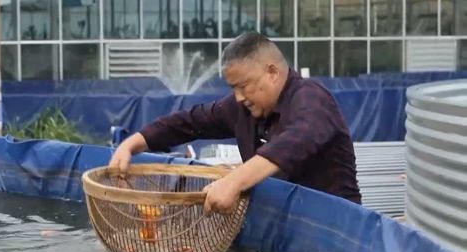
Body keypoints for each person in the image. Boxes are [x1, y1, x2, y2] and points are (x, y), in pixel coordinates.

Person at [109, 32, 361, 215]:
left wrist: (233, 181)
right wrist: (131, 144)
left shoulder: (312, 100)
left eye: (244, 86)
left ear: (271, 73)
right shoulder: (243, 108)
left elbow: (294, 143)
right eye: (233, 88)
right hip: (286, 227)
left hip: (338, 230)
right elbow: (188, 122)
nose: (239, 97)